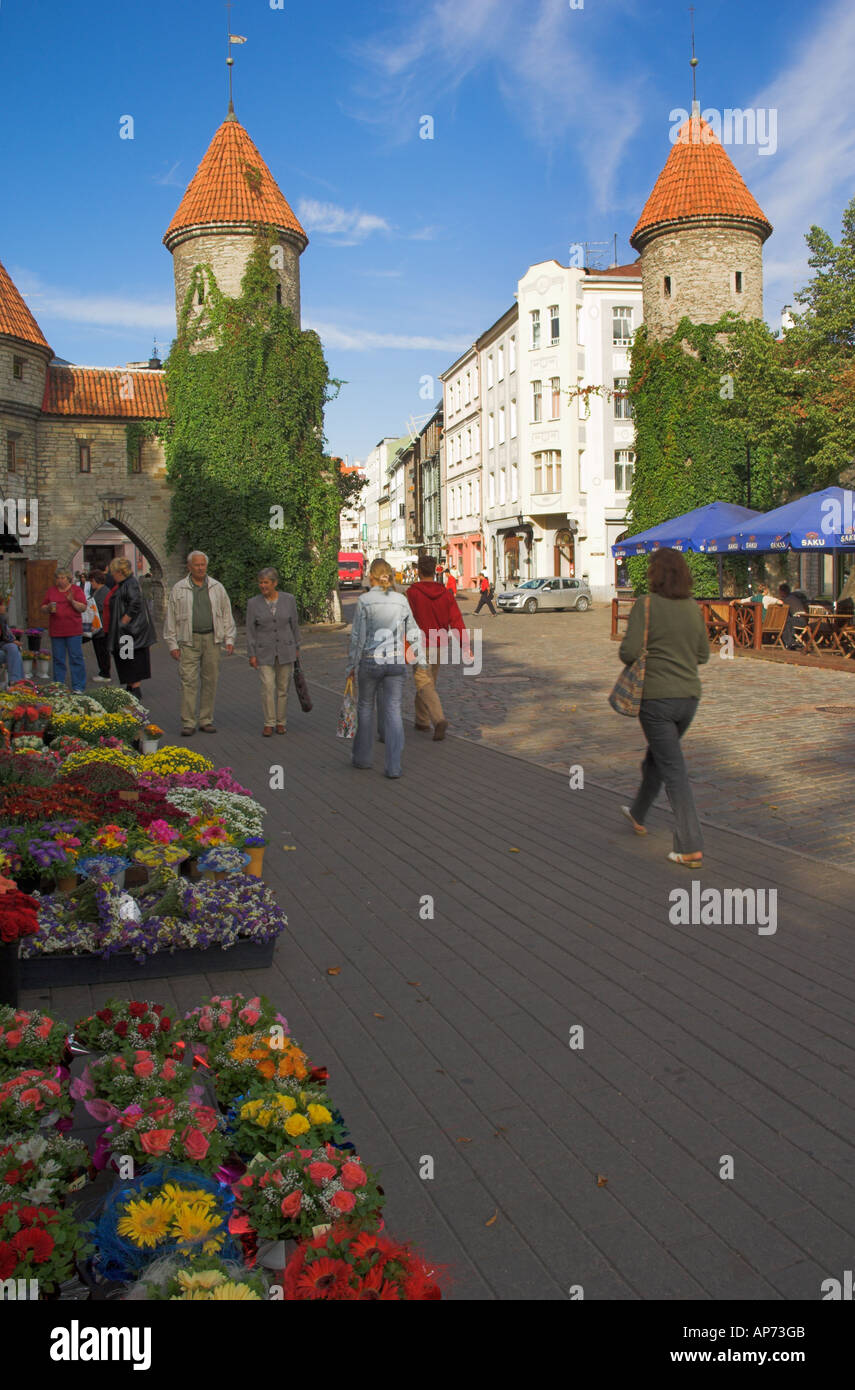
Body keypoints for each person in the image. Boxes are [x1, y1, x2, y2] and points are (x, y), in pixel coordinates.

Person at [618, 547, 710, 866]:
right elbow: (703, 655)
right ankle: (638, 812)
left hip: (656, 700)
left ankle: (689, 845)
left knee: (673, 770)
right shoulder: (692, 607)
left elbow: (628, 652)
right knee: (658, 759)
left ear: (654, 574)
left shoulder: (646, 605)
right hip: (689, 699)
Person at [346, 558, 426, 779]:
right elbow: (413, 631)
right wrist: (421, 660)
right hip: (395, 661)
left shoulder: (364, 600)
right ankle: (393, 766)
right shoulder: (401, 600)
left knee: (365, 707)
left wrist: (351, 665)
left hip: (370, 660)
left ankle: (362, 758)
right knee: (393, 711)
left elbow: (357, 637)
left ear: (371, 575)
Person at [163, 551, 236, 736]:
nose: (201, 568)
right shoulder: (179, 588)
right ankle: (188, 722)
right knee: (189, 681)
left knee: (210, 680)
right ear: (189, 567)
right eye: (197, 565)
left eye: (203, 564)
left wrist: (229, 638)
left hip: (212, 639)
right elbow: (170, 618)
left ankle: (206, 719)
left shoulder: (217, 587)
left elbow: (226, 613)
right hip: (188, 640)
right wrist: (172, 644)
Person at [407, 554, 468, 741]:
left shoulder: (412, 593)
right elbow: (456, 620)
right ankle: (421, 720)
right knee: (427, 682)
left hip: (420, 644)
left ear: (418, 571)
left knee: (424, 682)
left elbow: (406, 620)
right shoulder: (445, 594)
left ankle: (438, 719)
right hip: (439, 644)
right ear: (435, 571)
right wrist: (465, 645)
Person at [245, 567, 301, 736]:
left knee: (283, 688)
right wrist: (252, 654)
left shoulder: (288, 599)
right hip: (264, 651)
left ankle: (281, 722)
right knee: (268, 686)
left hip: (286, 649)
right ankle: (269, 722)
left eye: (266, 582)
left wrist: (297, 647)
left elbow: (295, 625)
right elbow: (250, 630)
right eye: (260, 582)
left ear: (274, 583)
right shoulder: (253, 603)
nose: (263, 586)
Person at [105, 557, 157, 698]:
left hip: (130, 634)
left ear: (118, 571)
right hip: (128, 633)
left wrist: (124, 621)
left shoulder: (130, 583)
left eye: (113, 571)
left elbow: (135, 602)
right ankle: (130, 689)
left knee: (131, 662)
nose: (111, 574)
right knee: (126, 662)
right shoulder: (125, 584)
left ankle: (134, 692)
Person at [41, 570, 87, 692]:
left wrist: (72, 601)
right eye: (58, 578)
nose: (60, 580)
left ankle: (78, 686)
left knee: (76, 658)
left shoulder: (76, 590)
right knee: (58, 659)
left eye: (63, 578)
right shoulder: (51, 591)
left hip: (73, 630)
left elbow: (83, 608)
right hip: (56, 630)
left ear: (68, 578)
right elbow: (43, 608)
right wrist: (49, 607)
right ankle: (58, 686)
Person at [88, 569, 112, 682]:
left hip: (101, 626)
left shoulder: (104, 591)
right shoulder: (98, 591)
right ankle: (103, 671)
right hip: (99, 625)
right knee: (100, 650)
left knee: (102, 650)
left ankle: (105, 673)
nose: (91, 583)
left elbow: (100, 607)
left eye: (92, 581)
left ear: (96, 580)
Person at [778, 583, 809, 649]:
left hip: (799, 620)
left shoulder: (785, 600)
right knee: (788, 621)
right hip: (804, 620)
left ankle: (790, 643)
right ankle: (792, 641)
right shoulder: (794, 598)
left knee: (784, 622)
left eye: (780, 592)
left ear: (782, 592)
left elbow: (780, 608)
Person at [0, 602, 23, 685]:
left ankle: (14, 682)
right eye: (1, 605)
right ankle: (18, 683)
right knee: (16, 654)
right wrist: (11, 641)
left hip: (2, 649)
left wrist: (12, 641)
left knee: (13, 648)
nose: (4, 607)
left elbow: (9, 637)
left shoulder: (1, 619)